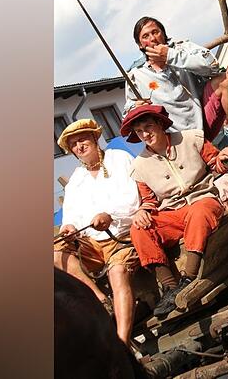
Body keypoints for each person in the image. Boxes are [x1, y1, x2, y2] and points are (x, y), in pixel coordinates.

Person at [120, 104, 228, 317]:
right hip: (173, 212)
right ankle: (169, 287)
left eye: (149, 127)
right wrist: (141, 211)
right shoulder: (140, 166)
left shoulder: (190, 138)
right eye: (139, 132)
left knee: (199, 211)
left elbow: (215, 162)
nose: (145, 134)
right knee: (139, 230)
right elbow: (149, 199)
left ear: (160, 124)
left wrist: (225, 157)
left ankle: (188, 278)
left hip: (204, 199)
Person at [54, 119, 140, 344]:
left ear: (94, 138)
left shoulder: (118, 159)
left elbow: (133, 199)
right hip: (92, 245)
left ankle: (122, 342)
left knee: (118, 273)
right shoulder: (76, 180)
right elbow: (69, 216)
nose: (79, 146)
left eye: (82, 139)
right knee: (55, 254)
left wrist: (108, 215)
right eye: (73, 145)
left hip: (122, 237)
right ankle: (101, 300)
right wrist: (69, 228)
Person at [124, 16, 228, 143]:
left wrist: (171, 56)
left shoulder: (182, 49)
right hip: (175, 140)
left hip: (203, 124)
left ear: (163, 34)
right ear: (140, 45)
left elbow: (212, 65)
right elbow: (127, 113)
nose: (152, 38)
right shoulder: (136, 76)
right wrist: (135, 107)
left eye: (155, 32)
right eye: (145, 36)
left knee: (223, 79)